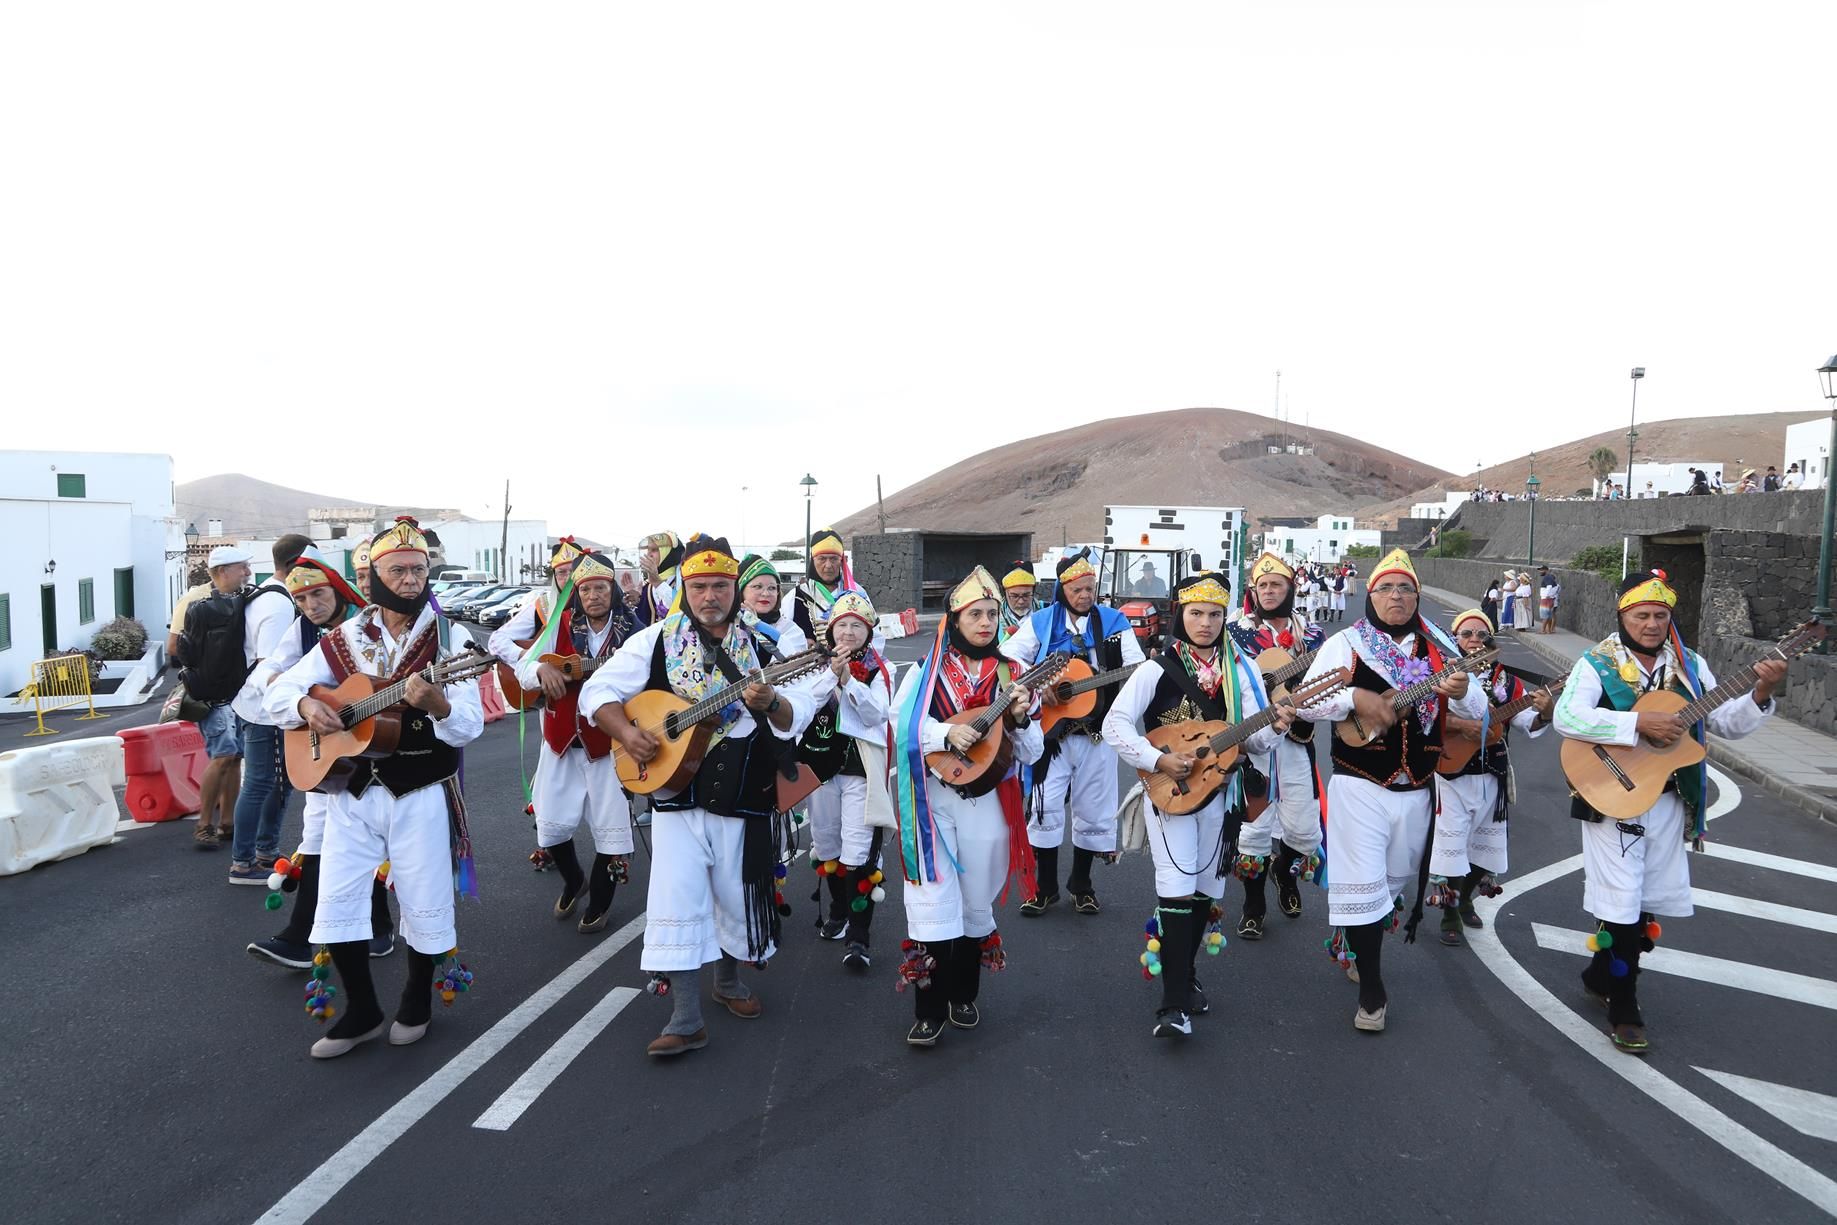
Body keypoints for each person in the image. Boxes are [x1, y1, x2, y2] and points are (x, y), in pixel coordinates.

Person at [582, 536, 824, 1058]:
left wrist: (774, 699)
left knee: (736, 894)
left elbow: (799, 710)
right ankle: (685, 1015)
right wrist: (626, 734)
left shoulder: (767, 643)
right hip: (674, 796)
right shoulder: (654, 640)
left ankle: (729, 981)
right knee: (677, 898)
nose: (709, 596)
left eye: (719, 585)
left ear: (735, 588)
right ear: (684, 589)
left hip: (744, 792)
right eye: (698, 586)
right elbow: (595, 692)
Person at [265, 516, 484, 1058]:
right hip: (351, 791)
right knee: (337, 900)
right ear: (374, 577)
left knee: (422, 895)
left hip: (421, 789)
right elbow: (280, 689)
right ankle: (361, 1008)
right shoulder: (345, 639)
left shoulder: (452, 640)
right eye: (399, 570)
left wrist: (439, 705)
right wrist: (305, 705)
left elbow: (470, 725)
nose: (411, 578)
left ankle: (417, 998)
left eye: (419, 569)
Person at [1552, 569, 1783, 1054]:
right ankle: (1624, 1005)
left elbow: (1724, 721)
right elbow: (1566, 716)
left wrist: (1760, 693)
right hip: (1611, 797)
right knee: (1621, 904)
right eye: (1642, 615)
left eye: (1660, 615)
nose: (1653, 624)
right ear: (1623, 616)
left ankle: (1600, 973)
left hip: (1669, 798)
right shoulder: (1599, 662)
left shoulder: (1691, 665)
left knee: (1646, 900)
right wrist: (1636, 722)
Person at [1295, 549, 1483, 1034]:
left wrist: (1462, 691)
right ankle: (1372, 991)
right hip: (1360, 783)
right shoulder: (1347, 643)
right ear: (1370, 595)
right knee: (1361, 883)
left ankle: (1355, 937)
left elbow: (1479, 707)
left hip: (1418, 787)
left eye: (1405, 588)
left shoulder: (1440, 645)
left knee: (1393, 884)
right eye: (1386, 588)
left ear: (1417, 596)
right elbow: (1307, 704)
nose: (1396, 596)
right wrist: (1354, 696)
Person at [1106, 572, 1292, 1038]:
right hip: (1171, 794)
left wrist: (1280, 724)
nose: (1205, 623)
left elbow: (1258, 740)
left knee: (1207, 891)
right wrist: (1159, 759)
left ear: (1225, 617)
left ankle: (1184, 977)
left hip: (1222, 793)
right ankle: (1172, 1006)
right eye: (1196, 614)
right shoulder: (1155, 669)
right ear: (1180, 616)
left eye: (1214, 614)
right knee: (1176, 888)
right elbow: (1115, 725)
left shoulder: (1243, 670)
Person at [892, 566, 1042, 1046]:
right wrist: (945, 732)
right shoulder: (924, 669)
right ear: (954, 620)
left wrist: (1019, 721)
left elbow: (1034, 751)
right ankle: (928, 1009)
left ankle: (964, 994)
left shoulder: (1013, 674)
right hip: (932, 797)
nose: (985, 622)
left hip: (989, 800)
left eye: (992, 613)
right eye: (975, 613)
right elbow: (898, 725)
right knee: (933, 900)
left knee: (975, 900)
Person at [247, 549, 395, 967]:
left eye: (318, 595)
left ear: (336, 589)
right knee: (317, 838)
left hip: (375, 752)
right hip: (327, 753)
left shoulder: (366, 627)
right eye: (302, 600)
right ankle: (303, 937)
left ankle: (372, 929)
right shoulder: (302, 632)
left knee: (364, 843)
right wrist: (291, 692)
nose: (311, 606)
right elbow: (266, 669)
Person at [1002, 546, 1145, 916]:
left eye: (1090, 589)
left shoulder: (1114, 621)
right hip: (1051, 734)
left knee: (1094, 809)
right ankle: (1045, 887)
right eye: (1077, 590)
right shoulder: (1042, 622)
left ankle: (1082, 884)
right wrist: (1036, 684)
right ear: (1062, 590)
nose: (1085, 596)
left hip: (1097, 733)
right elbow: (1008, 658)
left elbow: (1138, 668)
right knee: (1045, 806)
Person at [510, 552, 640, 933]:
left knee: (611, 831)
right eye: (585, 589)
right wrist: (539, 668)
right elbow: (522, 668)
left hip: (610, 746)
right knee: (549, 826)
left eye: (600, 587)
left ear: (612, 588)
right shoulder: (559, 625)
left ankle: (599, 902)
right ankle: (573, 879)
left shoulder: (635, 631)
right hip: (561, 741)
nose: (593, 595)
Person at [1427, 610, 1552, 947]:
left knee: (1486, 852)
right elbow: (1425, 716)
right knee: (1452, 847)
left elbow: (1526, 721)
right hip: (1452, 771)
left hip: (1492, 772)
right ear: (1454, 638)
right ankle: (1450, 914)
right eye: (1467, 634)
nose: (1474, 640)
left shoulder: (1507, 681)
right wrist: (1460, 726)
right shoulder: (1440, 674)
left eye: (1482, 635)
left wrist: (1545, 712)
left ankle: (1466, 897)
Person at [1226, 553, 1328, 936]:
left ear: (1291, 589)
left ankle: (1283, 872)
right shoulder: (1235, 632)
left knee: (1304, 833)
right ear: (1254, 590)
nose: (1269, 591)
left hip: (1297, 740)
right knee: (1252, 830)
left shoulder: (1314, 636)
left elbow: (1328, 684)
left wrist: (1303, 697)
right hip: (1254, 740)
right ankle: (1254, 905)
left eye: (1276, 585)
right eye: (1262, 585)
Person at [801, 592, 894, 970]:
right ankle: (838, 907)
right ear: (831, 631)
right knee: (826, 847)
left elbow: (877, 715)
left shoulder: (880, 669)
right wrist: (830, 676)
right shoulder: (811, 667)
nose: (850, 632)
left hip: (859, 772)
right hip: (821, 772)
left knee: (858, 854)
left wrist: (850, 683)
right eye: (843, 625)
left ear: (869, 632)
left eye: (858, 625)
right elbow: (802, 705)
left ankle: (859, 938)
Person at [227, 534, 314, 884]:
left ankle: (263, 852)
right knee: (263, 782)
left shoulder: (269, 595)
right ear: (296, 563)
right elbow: (270, 664)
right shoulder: (278, 605)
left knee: (276, 782)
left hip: (258, 704)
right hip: (263, 709)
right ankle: (244, 862)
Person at [177, 546, 258, 849]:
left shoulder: (220, 603)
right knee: (224, 756)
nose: (247, 573)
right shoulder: (207, 606)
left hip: (229, 694)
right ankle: (204, 825)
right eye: (242, 568)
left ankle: (226, 823)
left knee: (233, 758)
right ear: (224, 572)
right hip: (216, 697)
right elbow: (185, 652)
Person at [788, 528, 864, 641]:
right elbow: (785, 638)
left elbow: (874, 635)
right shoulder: (796, 597)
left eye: (834, 559)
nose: (828, 565)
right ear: (813, 560)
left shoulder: (857, 593)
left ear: (842, 560)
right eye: (822, 559)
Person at [735, 554, 808, 663]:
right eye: (757, 587)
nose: (765, 593)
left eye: (772, 588)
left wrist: (759, 627)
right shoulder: (727, 628)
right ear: (741, 591)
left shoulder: (791, 630)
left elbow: (787, 666)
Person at [634, 530, 682, 625]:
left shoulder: (684, 580)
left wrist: (658, 583)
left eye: (655, 550)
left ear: (668, 553)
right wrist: (633, 601)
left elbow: (681, 608)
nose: (649, 554)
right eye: (648, 549)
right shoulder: (646, 586)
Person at [998, 561, 1037, 641]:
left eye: (1026, 595)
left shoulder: (1046, 612)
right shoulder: (994, 615)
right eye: (1014, 596)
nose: (1021, 601)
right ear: (1004, 593)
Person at [1540, 571, 1562, 635]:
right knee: (1552, 615)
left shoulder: (1551, 586)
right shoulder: (1558, 586)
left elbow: (1549, 592)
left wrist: (1546, 595)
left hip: (1549, 600)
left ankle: (1546, 629)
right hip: (1554, 601)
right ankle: (1551, 629)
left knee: (1547, 615)